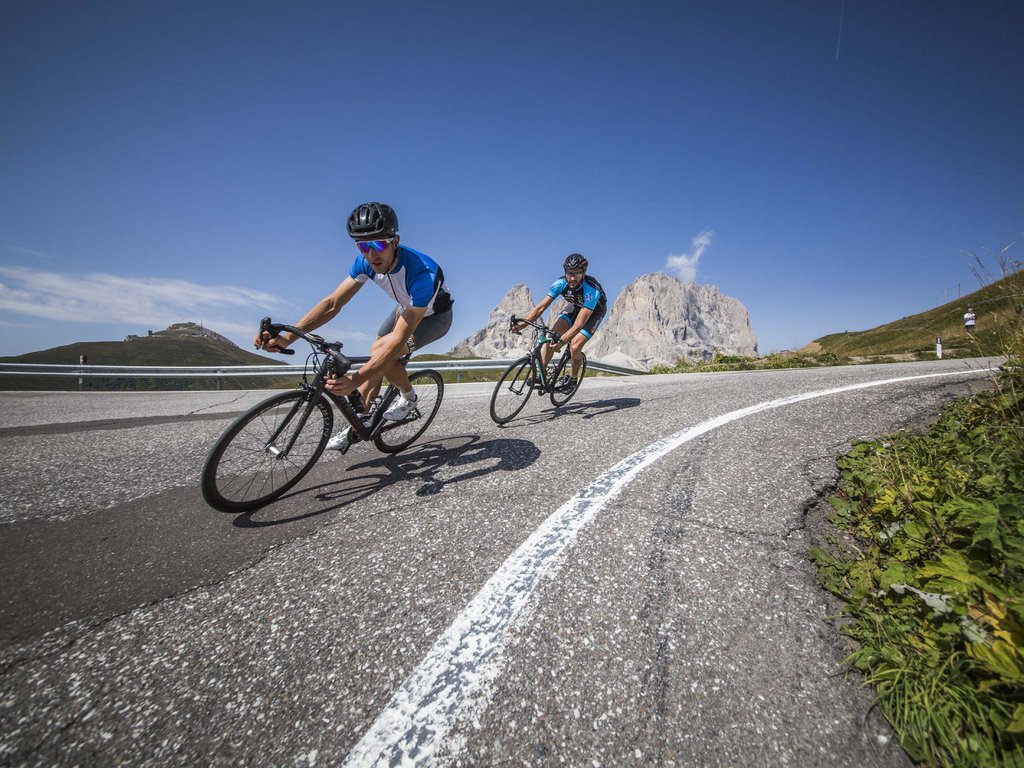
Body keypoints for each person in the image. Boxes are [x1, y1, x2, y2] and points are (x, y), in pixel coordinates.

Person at [255, 201, 454, 450]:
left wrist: (355, 379)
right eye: (363, 246)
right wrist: (287, 337)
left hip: (435, 317)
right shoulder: (366, 262)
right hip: (404, 308)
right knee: (377, 355)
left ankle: (408, 397)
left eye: (378, 244)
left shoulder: (422, 274)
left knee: (385, 351)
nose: (371, 254)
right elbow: (332, 303)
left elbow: (395, 343)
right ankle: (360, 423)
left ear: (395, 241)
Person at [512, 253, 606, 392]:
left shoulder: (591, 289)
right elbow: (540, 308)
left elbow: (578, 325)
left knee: (574, 347)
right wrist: (522, 324)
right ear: (565, 272)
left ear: (584, 273)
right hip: (575, 307)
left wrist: (562, 342)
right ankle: (542, 373)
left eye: (577, 274)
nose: (572, 278)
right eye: (569, 274)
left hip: (593, 312)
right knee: (552, 336)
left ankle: (573, 379)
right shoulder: (560, 283)